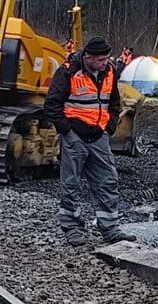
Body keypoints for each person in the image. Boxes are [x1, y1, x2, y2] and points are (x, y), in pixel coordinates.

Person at [44, 36, 129, 247]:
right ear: (88, 58)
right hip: (76, 136)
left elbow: (114, 103)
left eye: (107, 59)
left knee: (108, 180)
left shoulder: (109, 72)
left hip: (99, 135)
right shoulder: (68, 72)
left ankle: (110, 228)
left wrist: (108, 128)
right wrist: (67, 131)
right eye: (101, 59)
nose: (105, 63)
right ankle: (72, 228)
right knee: (70, 184)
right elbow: (52, 105)